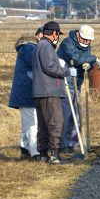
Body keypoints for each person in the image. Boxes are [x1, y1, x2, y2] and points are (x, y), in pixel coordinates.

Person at [32, 21, 77, 164]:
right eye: (58, 34)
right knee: (56, 122)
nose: (58, 37)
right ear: (54, 33)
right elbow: (50, 67)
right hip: (49, 91)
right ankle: (55, 155)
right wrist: (66, 71)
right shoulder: (45, 46)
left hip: (41, 91)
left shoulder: (40, 46)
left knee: (44, 124)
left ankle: (44, 154)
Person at [57, 25, 100, 152]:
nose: (87, 42)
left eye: (89, 40)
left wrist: (89, 65)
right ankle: (64, 145)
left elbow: (84, 60)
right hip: (65, 83)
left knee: (76, 114)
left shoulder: (86, 46)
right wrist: (93, 58)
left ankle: (74, 143)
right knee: (67, 114)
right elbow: (76, 59)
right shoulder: (68, 43)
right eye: (84, 40)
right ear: (78, 35)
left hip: (77, 83)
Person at [9, 27, 43, 160]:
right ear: (36, 36)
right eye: (42, 35)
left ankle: (25, 148)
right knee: (33, 123)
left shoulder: (27, 48)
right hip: (27, 92)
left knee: (27, 123)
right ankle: (36, 153)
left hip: (24, 92)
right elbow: (38, 63)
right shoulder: (30, 48)